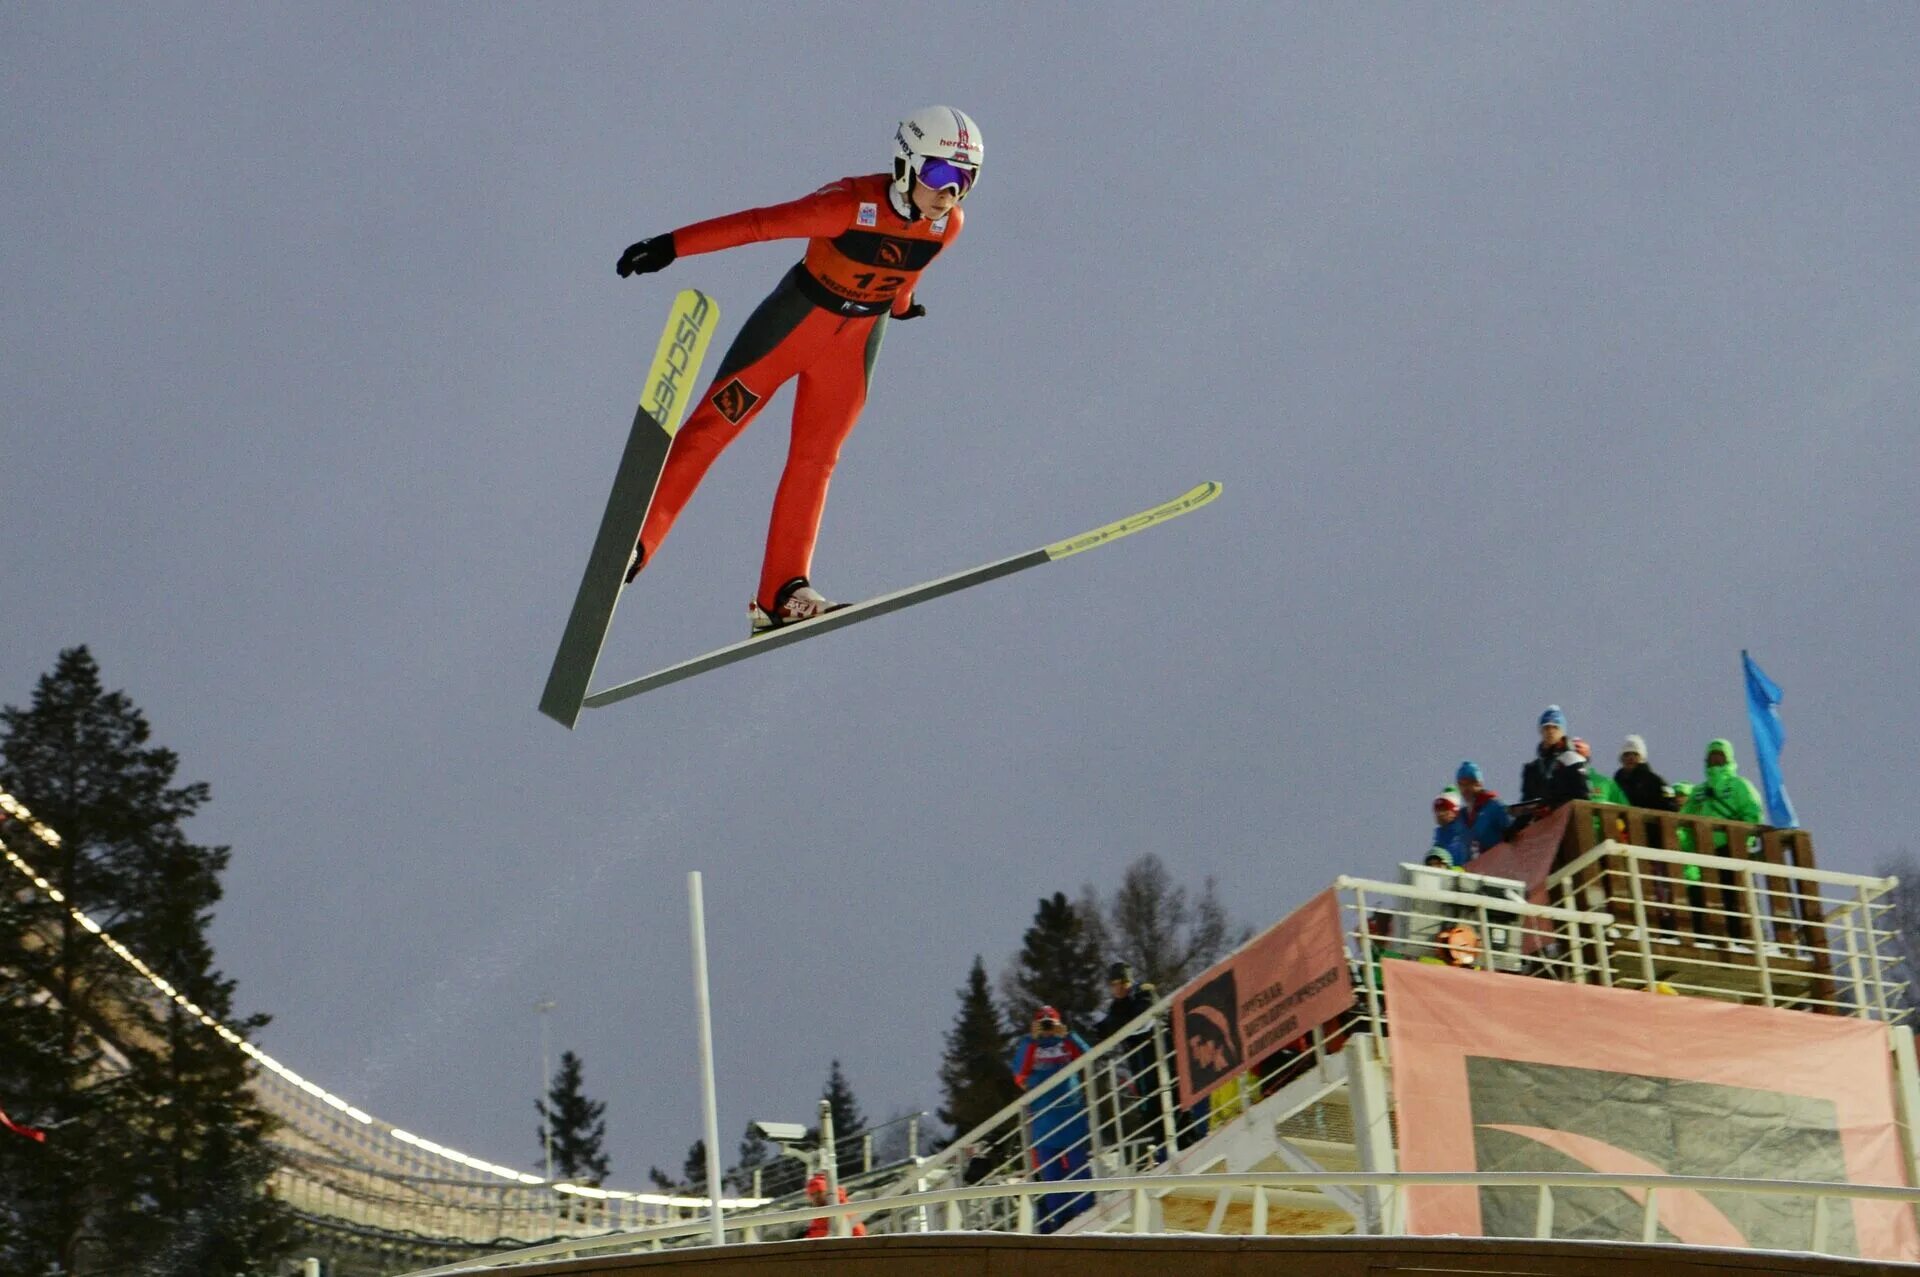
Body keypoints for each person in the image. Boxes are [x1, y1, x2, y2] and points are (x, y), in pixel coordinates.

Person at [615, 107, 982, 632]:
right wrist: (671, 246)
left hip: (854, 347)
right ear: (906, 164)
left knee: (817, 459)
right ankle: (638, 543)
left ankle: (783, 592)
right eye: (940, 175)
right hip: (794, 325)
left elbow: (905, 269)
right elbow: (758, 225)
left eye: (964, 181)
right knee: (712, 431)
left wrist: (902, 308)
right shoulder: (846, 206)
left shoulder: (948, 226)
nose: (949, 194)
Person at [1009, 1006, 1093, 1232]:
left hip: (1071, 1117)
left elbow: (1089, 1057)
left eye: (1051, 1021)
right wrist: (1031, 1040)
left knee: (1079, 1168)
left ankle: (1086, 1212)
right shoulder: (1029, 1045)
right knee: (1051, 1175)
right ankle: (1060, 1221)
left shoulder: (1066, 1042)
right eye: (1042, 1022)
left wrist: (1067, 1035)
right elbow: (1019, 1074)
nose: (1047, 1027)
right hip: (1044, 1121)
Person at [1520, 706, 1589, 807]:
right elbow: (1526, 803)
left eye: (1555, 727)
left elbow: (1583, 797)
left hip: (1567, 818)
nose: (1550, 731)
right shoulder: (1532, 768)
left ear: (1563, 732)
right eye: (1546, 727)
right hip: (1542, 820)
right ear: (1541, 731)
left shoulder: (1573, 760)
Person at [1453, 762, 1511, 855]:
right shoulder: (1461, 816)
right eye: (1461, 784)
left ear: (1479, 784)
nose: (1465, 789)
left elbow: (1511, 832)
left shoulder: (1494, 806)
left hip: (1497, 863)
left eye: (1469, 783)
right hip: (1470, 867)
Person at [1614, 735, 1677, 812]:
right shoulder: (1616, 782)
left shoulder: (1656, 782)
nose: (1630, 758)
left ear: (1642, 757)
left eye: (1635, 754)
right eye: (1626, 754)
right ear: (1621, 758)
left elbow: (1671, 805)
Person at [803, 1171, 867, 1238]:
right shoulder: (819, 1214)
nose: (816, 1197)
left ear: (828, 1191)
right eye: (812, 1194)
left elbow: (858, 1234)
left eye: (819, 1192)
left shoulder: (844, 1210)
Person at [1573, 739, 1628, 804]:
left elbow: (1627, 809)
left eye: (1579, 755)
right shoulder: (1560, 782)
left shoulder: (1606, 783)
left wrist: (1607, 805)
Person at [1429, 792, 1470, 866]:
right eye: (1437, 810)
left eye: (1444, 809)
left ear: (1454, 812)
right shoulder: (1439, 840)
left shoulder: (1462, 836)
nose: (1440, 814)